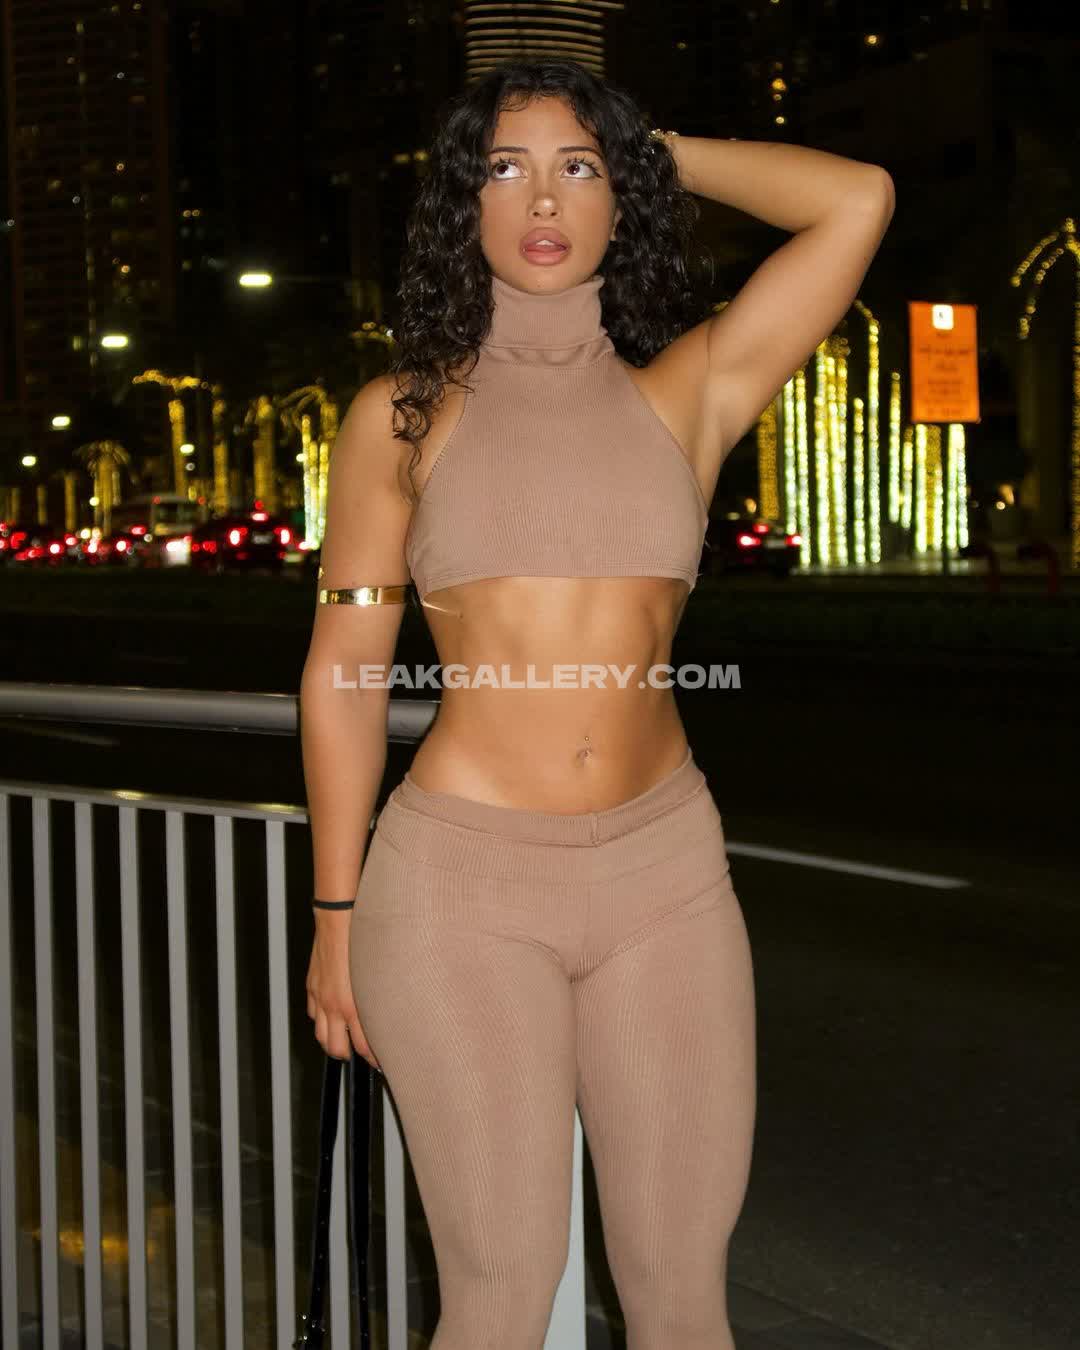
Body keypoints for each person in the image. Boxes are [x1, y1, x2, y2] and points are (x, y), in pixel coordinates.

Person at [300, 57, 894, 1350]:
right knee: (502, 1295)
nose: (543, 199)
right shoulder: (399, 417)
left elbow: (857, 200)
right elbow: (344, 673)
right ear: (463, 202)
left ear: (622, 194)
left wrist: (643, 141)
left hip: (664, 876)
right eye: (504, 168)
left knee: (683, 1298)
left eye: (577, 168)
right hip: (459, 889)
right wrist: (335, 915)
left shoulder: (690, 392)